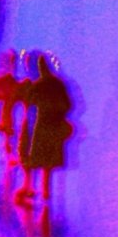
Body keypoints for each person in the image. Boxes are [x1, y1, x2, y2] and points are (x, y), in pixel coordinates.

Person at [18, 53, 75, 204]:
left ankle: (37, 193)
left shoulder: (38, 85)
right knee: (47, 164)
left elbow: (28, 103)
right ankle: (45, 195)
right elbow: (68, 105)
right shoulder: (58, 84)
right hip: (53, 127)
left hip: (42, 127)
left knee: (40, 160)